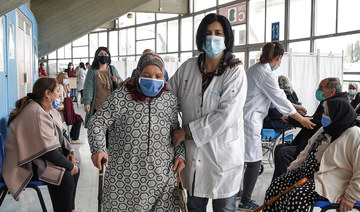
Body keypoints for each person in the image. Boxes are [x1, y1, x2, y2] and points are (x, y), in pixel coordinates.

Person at [88, 52, 185, 211]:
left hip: (162, 179)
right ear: (138, 74)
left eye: (158, 75)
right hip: (124, 179)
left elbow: (176, 132)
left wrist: (181, 155)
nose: (153, 79)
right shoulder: (121, 96)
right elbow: (97, 122)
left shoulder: (169, 99)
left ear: (164, 76)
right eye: (147, 75)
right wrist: (98, 148)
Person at [170, 13, 247, 211]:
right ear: (201, 38)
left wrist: (186, 131)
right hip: (194, 158)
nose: (212, 38)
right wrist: (138, 84)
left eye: (218, 33)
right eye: (208, 33)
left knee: (224, 208)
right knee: (195, 207)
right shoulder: (188, 67)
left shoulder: (235, 71)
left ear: (226, 37)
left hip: (223, 157)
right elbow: (167, 96)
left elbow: (226, 116)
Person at [240, 42, 315, 210]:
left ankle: (239, 192)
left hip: (245, 117)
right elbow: (279, 100)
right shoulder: (266, 74)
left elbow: (277, 95)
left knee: (243, 158)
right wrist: (302, 120)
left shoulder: (255, 68)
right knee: (254, 160)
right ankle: (245, 201)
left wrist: (295, 107)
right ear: (279, 57)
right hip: (250, 119)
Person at [263, 96, 360, 212]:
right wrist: (293, 167)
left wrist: (351, 197)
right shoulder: (326, 129)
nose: (324, 116)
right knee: (276, 186)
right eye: (325, 112)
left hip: (330, 180)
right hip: (308, 175)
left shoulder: (354, 135)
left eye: (328, 114)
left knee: (297, 196)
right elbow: (307, 150)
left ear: (338, 115)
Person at [2, 77, 80, 212]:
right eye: (57, 91)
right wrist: (69, 165)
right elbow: (49, 152)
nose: (60, 94)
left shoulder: (49, 110)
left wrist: (70, 154)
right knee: (65, 176)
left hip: (39, 158)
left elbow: (63, 136)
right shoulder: (35, 113)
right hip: (24, 164)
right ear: (47, 94)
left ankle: (69, 210)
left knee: (73, 171)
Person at [272, 78, 345, 181]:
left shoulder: (335, 104)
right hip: (311, 138)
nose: (318, 90)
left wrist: (294, 118)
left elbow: (314, 123)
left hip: (320, 144)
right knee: (279, 147)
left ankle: (282, 186)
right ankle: (278, 184)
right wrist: (298, 118)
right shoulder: (328, 101)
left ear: (332, 91)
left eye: (321, 88)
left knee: (284, 152)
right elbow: (314, 119)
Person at [83, 46, 123, 128]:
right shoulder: (92, 70)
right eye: (101, 54)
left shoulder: (112, 69)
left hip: (111, 106)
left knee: (111, 130)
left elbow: (121, 82)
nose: (103, 56)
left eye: (105, 54)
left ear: (108, 56)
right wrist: (87, 102)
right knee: (97, 128)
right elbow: (88, 87)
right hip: (97, 106)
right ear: (97, 56)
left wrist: (116, 80)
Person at [57, 73, 83, 143]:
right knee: (78, 119)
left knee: (79, 118)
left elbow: (67, 98)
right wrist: (66, 97)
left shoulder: (65, 86)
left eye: (67, 78)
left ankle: (74, 136)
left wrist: (68, 92)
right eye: (65, 78)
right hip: (62, 111)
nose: (67, 80)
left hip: (65, 109)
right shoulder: (60, 86)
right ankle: (74, 137)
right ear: (61, 79)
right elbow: (60, 99)